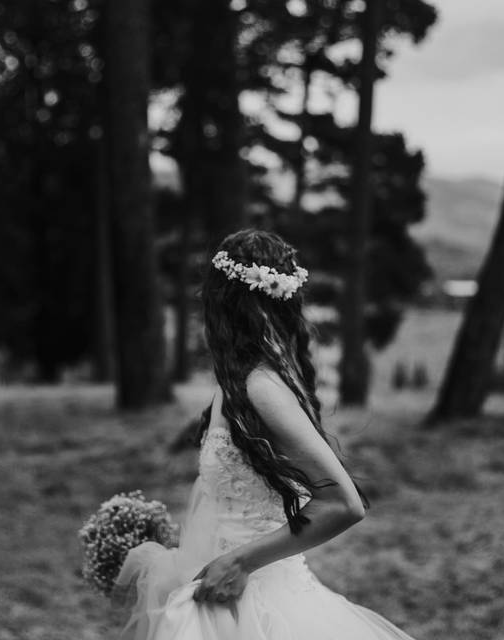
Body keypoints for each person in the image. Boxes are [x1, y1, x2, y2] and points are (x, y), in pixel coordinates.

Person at [115, 229, 419, 640]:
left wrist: (240, 563)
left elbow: (343, 503)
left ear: (224, 303)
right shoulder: (237, 383)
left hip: (262, 605)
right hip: (218, 597)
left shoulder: (261, 387)